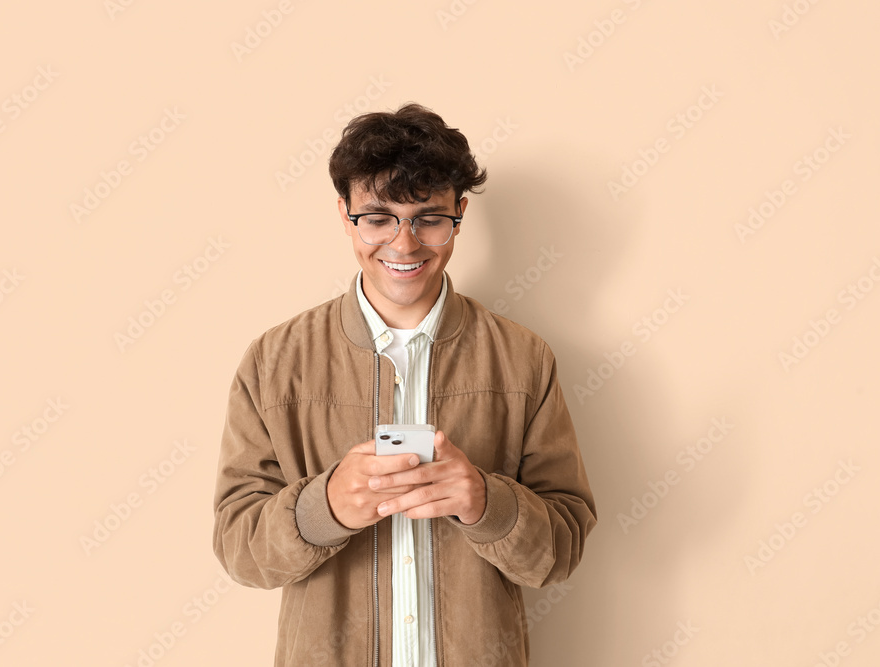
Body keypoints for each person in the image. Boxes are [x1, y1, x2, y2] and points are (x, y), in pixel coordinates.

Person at [212, 102, 597, 666]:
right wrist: (326, 506)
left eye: (428, 217)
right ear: (345, 215)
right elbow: (238, 548)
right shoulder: (274, 361)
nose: (404, 242)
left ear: (459, 214)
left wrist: (487, 502)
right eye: (378, 216)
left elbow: (561, 551)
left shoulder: (523, 359)